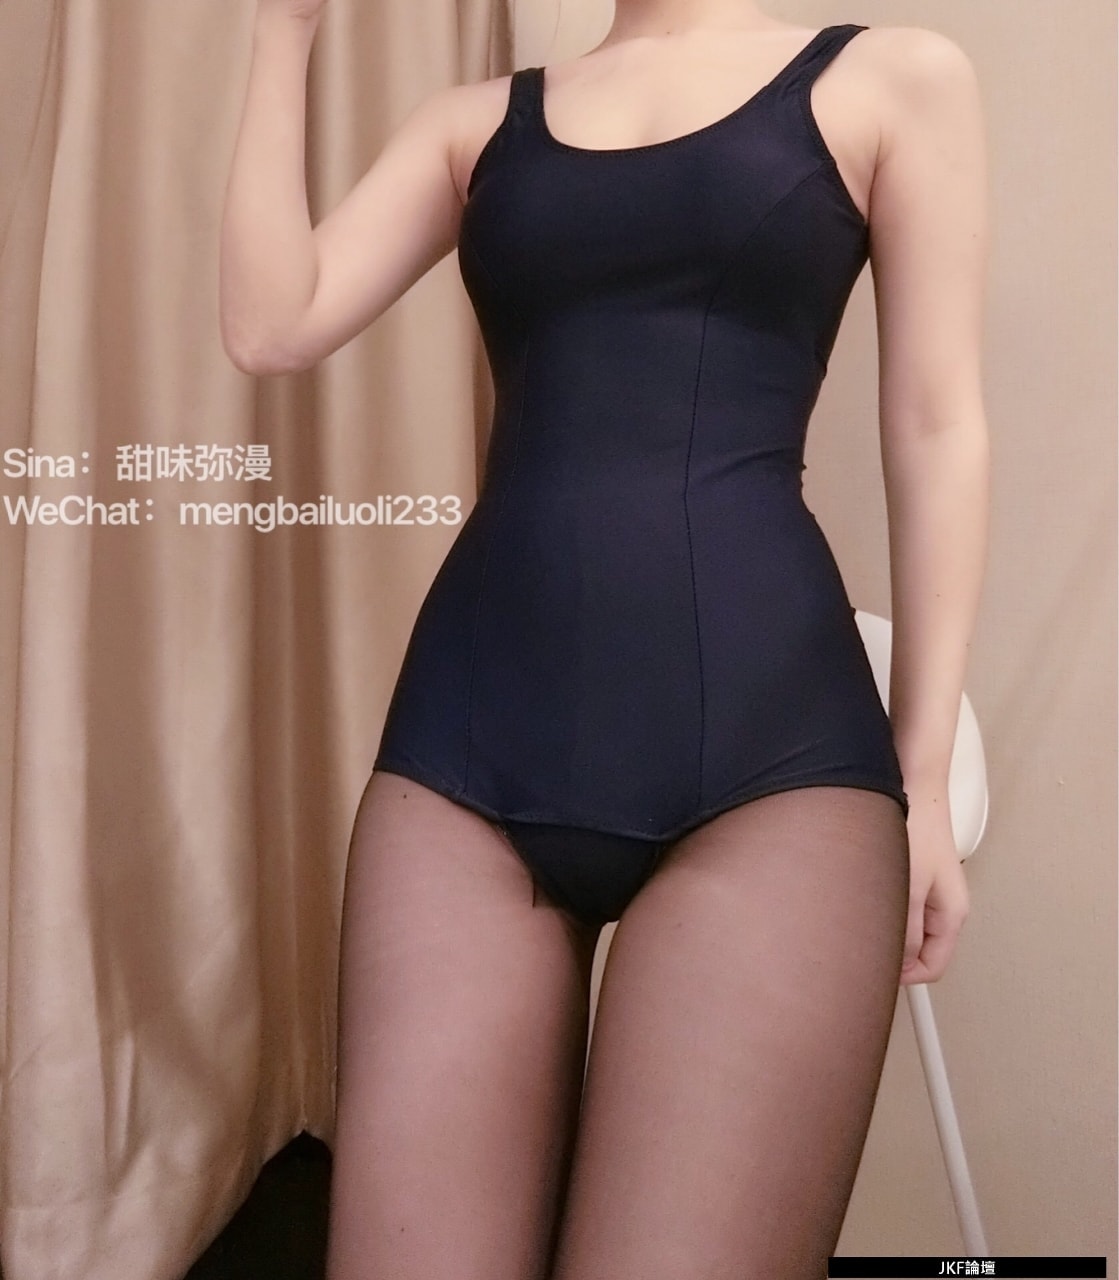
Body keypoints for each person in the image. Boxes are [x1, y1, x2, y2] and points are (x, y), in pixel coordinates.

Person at [220, 1, 989, 1276]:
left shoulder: (888, 79)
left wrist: (921, 780)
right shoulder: (476, 125)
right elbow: (270, 324)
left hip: (772, 765)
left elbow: (937, 424)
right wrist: (280, 35)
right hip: (469, 753)